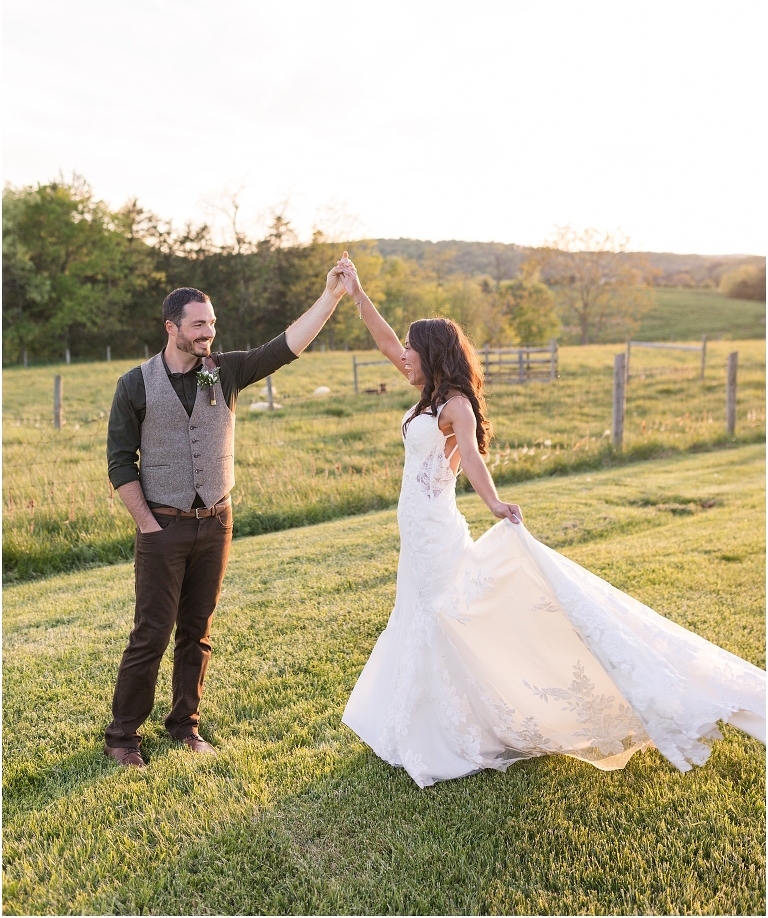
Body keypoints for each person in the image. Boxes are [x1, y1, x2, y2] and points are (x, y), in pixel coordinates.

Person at [336, 255, 766, 789]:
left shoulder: (455, 406)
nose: (402, 355)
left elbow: (473, 459)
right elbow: (383, 342)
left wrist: (494, 504)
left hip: (436, 531)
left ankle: (458, 729)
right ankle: (421, 722)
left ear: (432, 353)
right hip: (416, 532)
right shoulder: (426, 398)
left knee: (439, 615)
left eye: (411, 348)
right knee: (424, 616)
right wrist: (356, 294)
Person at [104, 265, 348, 767]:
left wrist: (330, 296)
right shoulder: (135, 384)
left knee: (197, 630)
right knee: (151, 634)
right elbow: (120, 462)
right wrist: (148, 524)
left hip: (217, 522)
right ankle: (123, 737)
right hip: (162, 526)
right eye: (198, 325)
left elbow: (285, 347)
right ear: (171, 327)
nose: (208, 333)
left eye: (211, 323)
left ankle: (184, 726)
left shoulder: (227, 370)